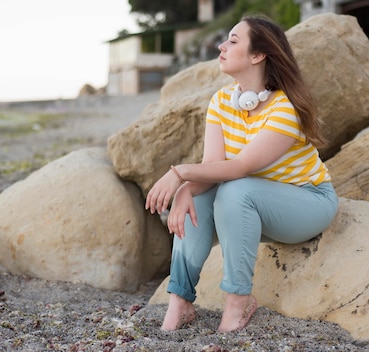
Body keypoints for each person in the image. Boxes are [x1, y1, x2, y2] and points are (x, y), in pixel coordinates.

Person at [145, 14, 338, 333]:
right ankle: (180, 302)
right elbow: (212, 167)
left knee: (235, 188)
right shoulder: (222, 101)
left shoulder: (284, 108)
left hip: (307, 203)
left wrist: (178, 173)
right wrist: (186, 191)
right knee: (200, 198)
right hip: (251, 207)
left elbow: (239, 168)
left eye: (233, 41)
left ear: (257, 55)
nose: (221, 46)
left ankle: (239, 300)